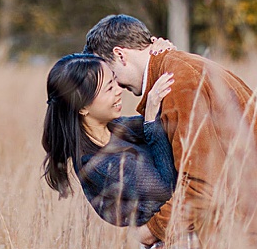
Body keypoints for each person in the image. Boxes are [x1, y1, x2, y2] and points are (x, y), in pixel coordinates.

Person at [83, 13, 257, 249]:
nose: (116, 86)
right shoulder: (176, 70)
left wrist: (151, 230)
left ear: (120, 54)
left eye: (111, 74)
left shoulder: (179, 83)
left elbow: (202, 186)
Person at [41, 51, 179, 238]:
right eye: (108, 88)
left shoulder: (117, 128)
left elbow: (167, 126)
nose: (118, 90)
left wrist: (164, 52)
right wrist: (150, 121)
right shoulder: (97, 164)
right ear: (82, 107)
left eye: (115, 81)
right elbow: (166, 188)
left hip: (182, 233)